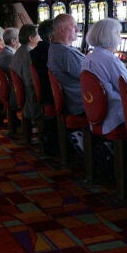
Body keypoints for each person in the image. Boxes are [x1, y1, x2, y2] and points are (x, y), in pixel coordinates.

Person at [81, 18, 127, 135]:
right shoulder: (110, 60)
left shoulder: (88, 57)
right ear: (111, 37)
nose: (120, 39)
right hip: (115, 116)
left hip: (96, 113)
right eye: (118, 34)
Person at [48, 14, 85, 153]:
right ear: (62, 31)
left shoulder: (56, 48)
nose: (77, 29)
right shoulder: (65, 53)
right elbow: (93, 77)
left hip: (74, 100)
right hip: (83, 103)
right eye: (73, 26)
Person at [31, 19, 58, 155]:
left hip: (44, 94)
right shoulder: (53, 53)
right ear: (50, 37)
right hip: (53, 96)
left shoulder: (35, 51)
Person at [10, 24, 42, 124]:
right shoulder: (30, 55)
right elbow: (32, 82)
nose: (40, 38)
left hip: (20, 96)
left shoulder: (18, 51)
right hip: (31, 100)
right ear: (31, 38)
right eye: (38, 36)